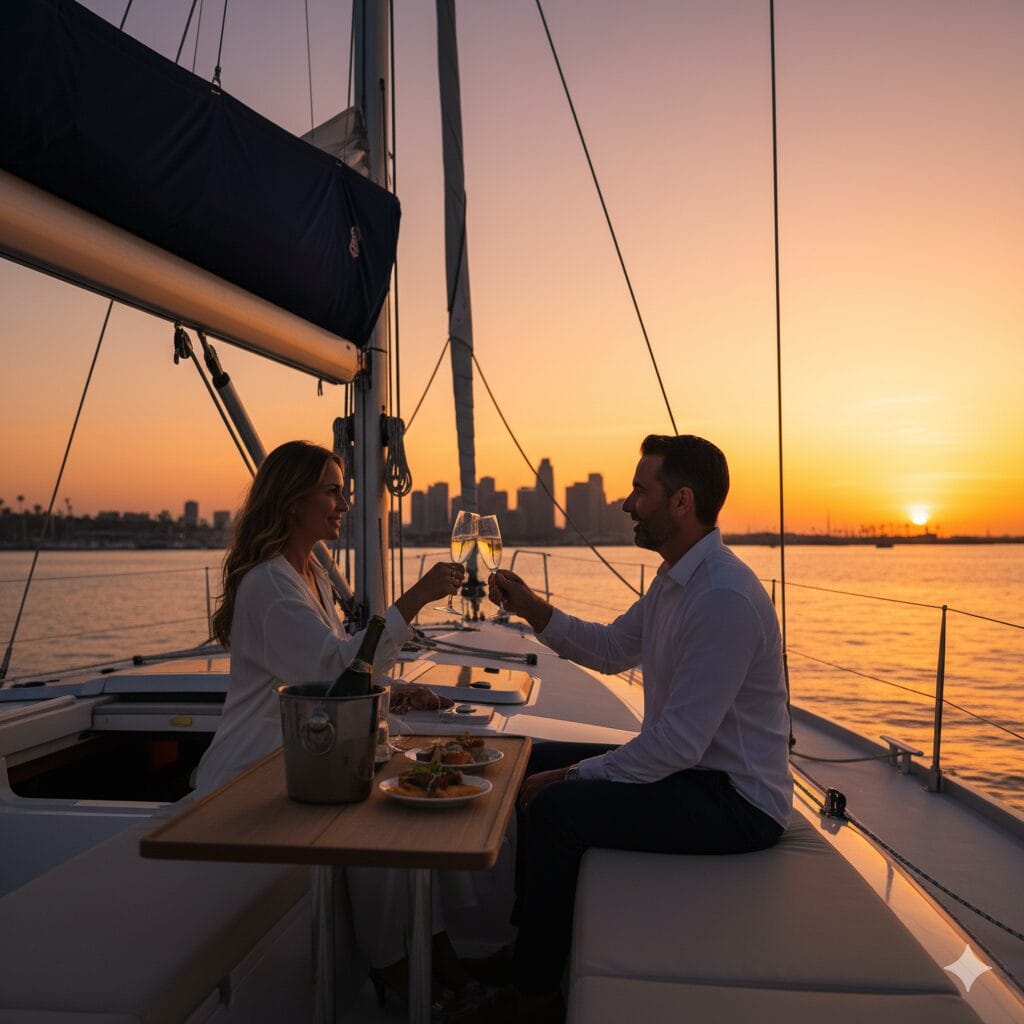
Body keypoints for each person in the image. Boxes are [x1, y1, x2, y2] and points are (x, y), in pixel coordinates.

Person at [478, 434, 793, 1021]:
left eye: (639, 490)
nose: (627, 503)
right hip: (692, 773)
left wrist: (576, 776)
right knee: (531, 757)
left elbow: (677, 744)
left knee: (555, 808)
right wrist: (532, 610)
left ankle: (533, 998)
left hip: (738, 801)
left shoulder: (723, 596)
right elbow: (612, 647)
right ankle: (527, 950)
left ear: (681, 502)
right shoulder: (676, 580)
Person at [193, 440, 471, 1003]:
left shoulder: (309, 575)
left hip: (306, 758)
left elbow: (335, 674)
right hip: (255, 775)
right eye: (332, 491)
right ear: (293, 500)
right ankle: (398, 969)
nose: (344, 503)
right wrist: (413, 598)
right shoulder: (271, 586)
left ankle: (441, 962)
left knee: (407, 809)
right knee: (389, 822)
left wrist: (394, 694)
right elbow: (334, 673)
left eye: (342, 491)